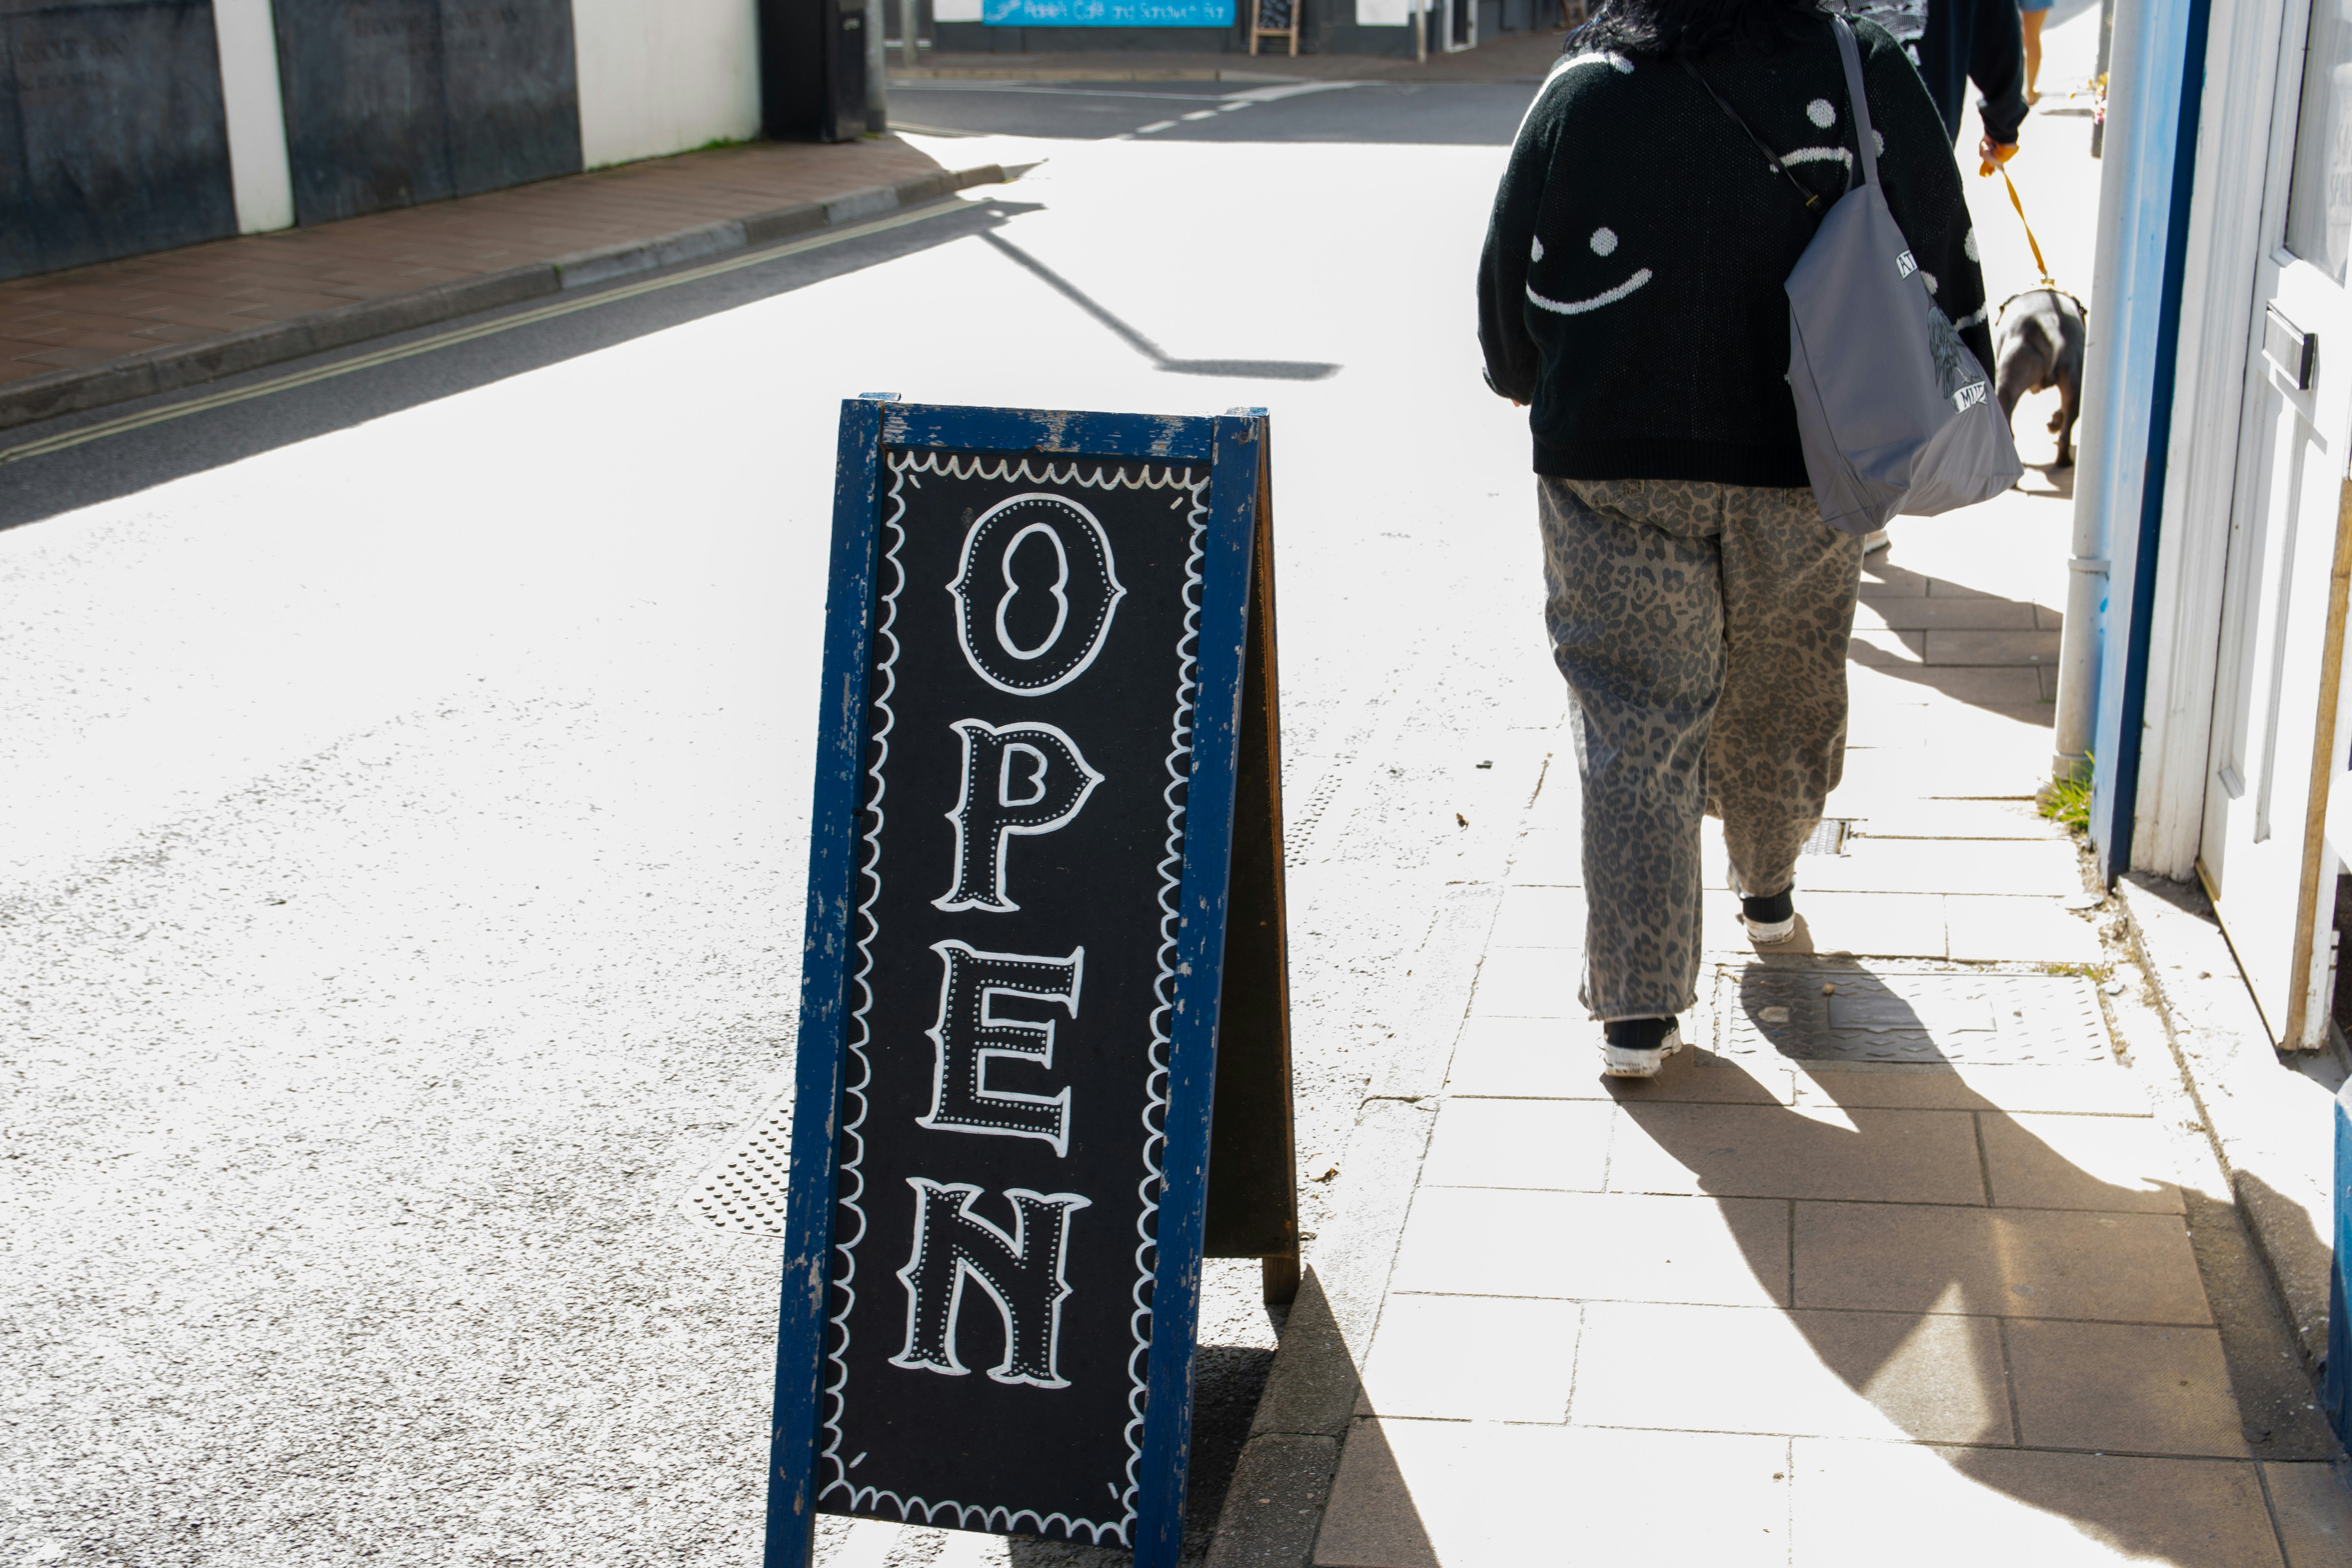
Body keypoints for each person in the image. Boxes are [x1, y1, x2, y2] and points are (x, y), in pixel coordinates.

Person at [1477, 0, 1994, 1078]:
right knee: (1784, 682)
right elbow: (1939, 242)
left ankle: (1636, 1010)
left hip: (1612, 458)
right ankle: (1768, 887)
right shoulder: (1861, 68)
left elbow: (1506, 278)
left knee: (1633, 719)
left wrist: (1527, 377)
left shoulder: (1588, 85)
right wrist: (1959, 375)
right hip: (1807, 459)